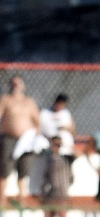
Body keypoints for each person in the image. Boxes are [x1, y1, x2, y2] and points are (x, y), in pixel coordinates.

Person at [0, 75, 42, 207]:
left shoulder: (29, 102)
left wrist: (36, 138)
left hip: (26, 142)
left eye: (19, 83)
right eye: (14, 83)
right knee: (5, 168)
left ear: (23, 86)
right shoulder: (5, 100)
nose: (16, 86)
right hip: (9, 138)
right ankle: (2, 197)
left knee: (24, 169)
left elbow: (37, 121)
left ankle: (21, 197)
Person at [39, 135, 72, 217]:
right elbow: (46, 176)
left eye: (58, 145)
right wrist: (43, 191)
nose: (56, 147)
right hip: (51, 194)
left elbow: (79, 154)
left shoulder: (66, 158)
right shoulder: (49, 158)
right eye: (54, 145)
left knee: (62, 213)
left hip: (62, 194)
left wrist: (65, 146)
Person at [39, 94, 76, 165]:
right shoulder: (44, 113)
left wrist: (66, 128)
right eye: (60, 104)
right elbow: (39, 128)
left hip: (62, 141)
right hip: (48, 140)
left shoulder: (66, 113)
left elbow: (73, 129)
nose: (61, 107)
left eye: (63, 105)